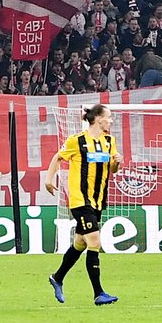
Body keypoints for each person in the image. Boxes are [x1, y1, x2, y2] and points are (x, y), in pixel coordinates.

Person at [45, 104, 119, 306]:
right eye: (109, 117)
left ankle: (57, 278)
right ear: (98, 119)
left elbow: (112, 168)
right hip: (80, 200)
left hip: (98, 201)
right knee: (95, 243)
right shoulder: (76, 141)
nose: (111, 121)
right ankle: (99, 293)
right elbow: (58, 157)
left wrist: (117, 162)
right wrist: (48, 179)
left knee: (80, 243)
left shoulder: (109, 141)